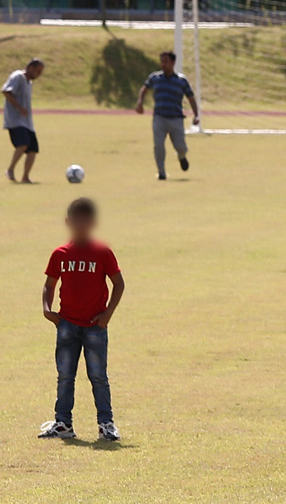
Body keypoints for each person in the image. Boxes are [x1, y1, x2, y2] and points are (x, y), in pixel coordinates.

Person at [39, 197, 125, 442]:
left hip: (95, 326)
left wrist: (107, 314)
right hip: (66, 324)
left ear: (93, 223)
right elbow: (49, 285)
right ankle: (63, 423)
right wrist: (47, 309)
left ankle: (106, 424)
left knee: (98, 375)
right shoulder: (60, 254)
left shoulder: (102, 252)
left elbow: (118, 283)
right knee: (65, 375)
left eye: (85, 221)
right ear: (68, 222)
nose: (80, 225)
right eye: (76, 221)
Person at [135, 50, 199, 181]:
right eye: (162, 61)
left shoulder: (181, 81)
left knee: (181, 147)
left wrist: (196, 115)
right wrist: (140, 103)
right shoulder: (155, 78)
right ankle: (162, 173)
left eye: (166, 61)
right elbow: (144, 89)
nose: (163, 64)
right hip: (159, 117)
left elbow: (191, 98)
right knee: (158, 145)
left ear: (173, 62)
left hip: (176, 119)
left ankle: (181, 156)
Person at [5, 57, 43, 184]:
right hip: (15, 120)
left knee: (33, 150)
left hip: (27, 122)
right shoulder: (18, 76)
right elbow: (6, 91)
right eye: (38, 71)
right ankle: (10, 169)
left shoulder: (29, 83)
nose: (39, 75)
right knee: (23, 144)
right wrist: (19, 107)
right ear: (31, 67)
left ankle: (25, 177)